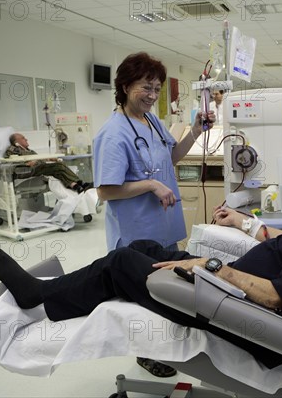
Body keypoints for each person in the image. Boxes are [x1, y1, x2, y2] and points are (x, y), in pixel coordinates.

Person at [0, 125, 282, 368]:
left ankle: (39, 300)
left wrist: (208, 266)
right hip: (235, 290)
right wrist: (251, 226)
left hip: (247, 318)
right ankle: (67, 291)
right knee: (143, 245)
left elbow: (281, 297)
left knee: (122, 263)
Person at [92, 52, 215, 376]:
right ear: (125, 85)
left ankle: (168, 346)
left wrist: (195, 132)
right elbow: (106, 191)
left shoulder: (152, 121)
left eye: (157, 89)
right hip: (136, 233)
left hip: (163, 227)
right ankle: (145, 353)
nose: (151, 95)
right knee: (144, 299)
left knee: (167, 294)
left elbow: (170, 156)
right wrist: (149, 185)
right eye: (145, 87)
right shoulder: (113, 133)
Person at [4, 133, 91, 194]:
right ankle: (80, 182)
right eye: (23, 138)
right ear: (16, 142)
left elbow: (38, 159)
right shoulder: (13, 149)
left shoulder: (29, 150)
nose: (26, 139)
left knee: (58, 171)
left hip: (37, 168)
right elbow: (13, 161)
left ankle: (75, 186)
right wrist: (26, 162)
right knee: (59, 166)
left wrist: (50, 158)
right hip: (26, 171)